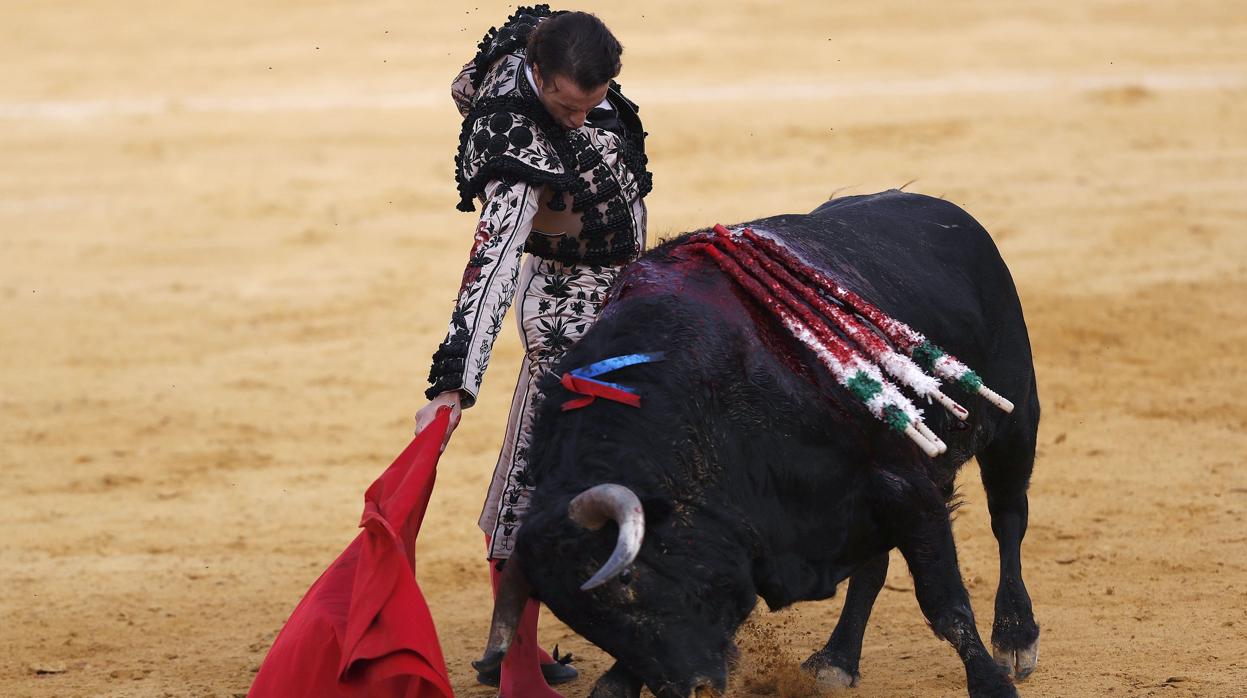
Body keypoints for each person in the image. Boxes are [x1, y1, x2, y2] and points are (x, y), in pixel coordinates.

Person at [412, 6, 652, 696]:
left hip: (629, 289)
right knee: (538, 465)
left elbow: (471, 78)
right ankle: (512, 658)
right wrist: (452, 383)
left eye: (593, 102)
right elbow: (489, 269)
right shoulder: (514, 145)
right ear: (539, 77)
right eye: (565, 104)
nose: (578, 117)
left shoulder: (548, 50)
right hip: (566, 305)